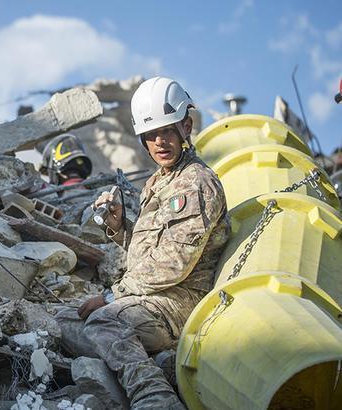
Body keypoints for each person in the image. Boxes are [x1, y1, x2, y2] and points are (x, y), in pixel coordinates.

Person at [56, 77, 231, 409]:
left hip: (182, 300)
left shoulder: (196, 183)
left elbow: (173, 264)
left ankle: (155, 396)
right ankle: (164, 364)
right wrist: (120, 227)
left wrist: (111, 296)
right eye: (151, 135)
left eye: (167, 131)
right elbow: (152, 249)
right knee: (65, 320)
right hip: (151, 297)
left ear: (186, 127)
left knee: (105, 320)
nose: (160, 141)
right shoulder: (159, 180)